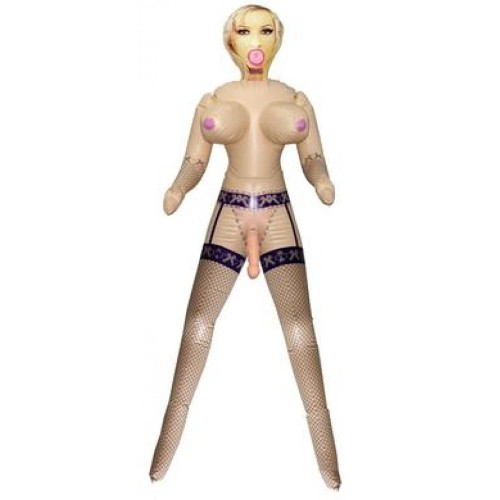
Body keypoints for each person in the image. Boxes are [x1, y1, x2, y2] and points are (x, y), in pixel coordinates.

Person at [150, 4, 341, 490]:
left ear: (278, 38)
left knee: (300, 330)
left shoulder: (295, 98)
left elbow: (313, 156)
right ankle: (162, 454)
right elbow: (194, 161)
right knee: (198, 324)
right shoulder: (214, 99)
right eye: (245, 30)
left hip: (277, 213)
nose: (256, 40)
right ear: (230, 40)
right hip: (230, 213)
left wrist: (321, 180)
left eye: (265, 30)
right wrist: (178, 188)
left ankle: (329, 463)